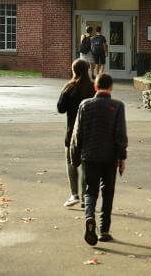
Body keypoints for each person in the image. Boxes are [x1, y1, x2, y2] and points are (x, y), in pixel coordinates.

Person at [71, 73, 127, 246]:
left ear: (95, 87)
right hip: (109, 157)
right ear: (111, 88)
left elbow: (77, 132)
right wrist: (121, 157)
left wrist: (75, 156)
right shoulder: (117, 106)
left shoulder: (85, 105)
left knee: (90, 191)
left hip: (89, 155)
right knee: (108, 191)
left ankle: (89, 216)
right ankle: (104, 230)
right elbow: (120, 134)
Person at [56, 59, 96, 208]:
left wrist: (65, 90)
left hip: (72, 131)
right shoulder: (93, 88)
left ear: (74, 70)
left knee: (71, 162)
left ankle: (74, 195)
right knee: (86, 164)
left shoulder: (70, 88)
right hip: (89, 132)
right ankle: (86, 197)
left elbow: (60, 108)